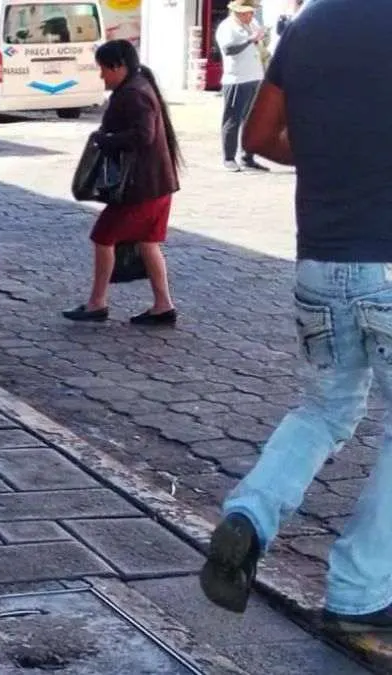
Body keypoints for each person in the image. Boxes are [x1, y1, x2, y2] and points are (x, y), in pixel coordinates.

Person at [200, 0, 392, 633]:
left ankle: (249, 518)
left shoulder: (307, 26)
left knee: (325, 407)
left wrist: (333, 162)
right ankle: (361, 591)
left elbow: (257, 137)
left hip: (321, 262)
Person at [62, 39, 182, 326]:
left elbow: (144, 135)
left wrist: (107, 140)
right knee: (147, 243)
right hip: (158, 184)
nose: (101, 75)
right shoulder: (141, 84)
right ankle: (163, 305)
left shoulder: (132, 93)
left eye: (103, 69)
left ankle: (97, 302)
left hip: (140, 187)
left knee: (104, 237)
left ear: (118, 66)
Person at [215, 1, 269, 173]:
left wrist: (262, 38)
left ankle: (248, 156)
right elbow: (229, 49)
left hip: (255, 76)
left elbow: (259, 44)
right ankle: (229, 158)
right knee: (233, 119)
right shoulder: (227, 27)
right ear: (236, 13)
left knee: (252, 120)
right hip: (237, 78)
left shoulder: (252, 24)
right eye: (246, 13)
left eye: (251, 13)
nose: (250, 16)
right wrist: (249, 39)